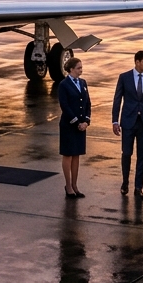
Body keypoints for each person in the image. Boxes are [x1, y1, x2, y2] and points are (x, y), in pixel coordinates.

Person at [112, 49, 143, 200]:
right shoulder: (124, 77)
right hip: (128, 122)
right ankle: (125, 182)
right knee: (126, 153)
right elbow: (117, 99)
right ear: (137, 62)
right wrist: (115, 120)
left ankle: (138, 187)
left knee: (142, 156)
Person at [57, 57, 90, 198]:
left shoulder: (83, 83)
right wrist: (76, 122)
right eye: (78, 68)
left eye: (81, 68)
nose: (81, 70)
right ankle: (68, 185)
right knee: (68, 155)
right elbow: (64, 105)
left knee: (76, 155)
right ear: (71, 69)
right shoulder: (64, 85)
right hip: (69, 125)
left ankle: (75, 185)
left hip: (81, 125)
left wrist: (86, 121)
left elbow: (88, 103)